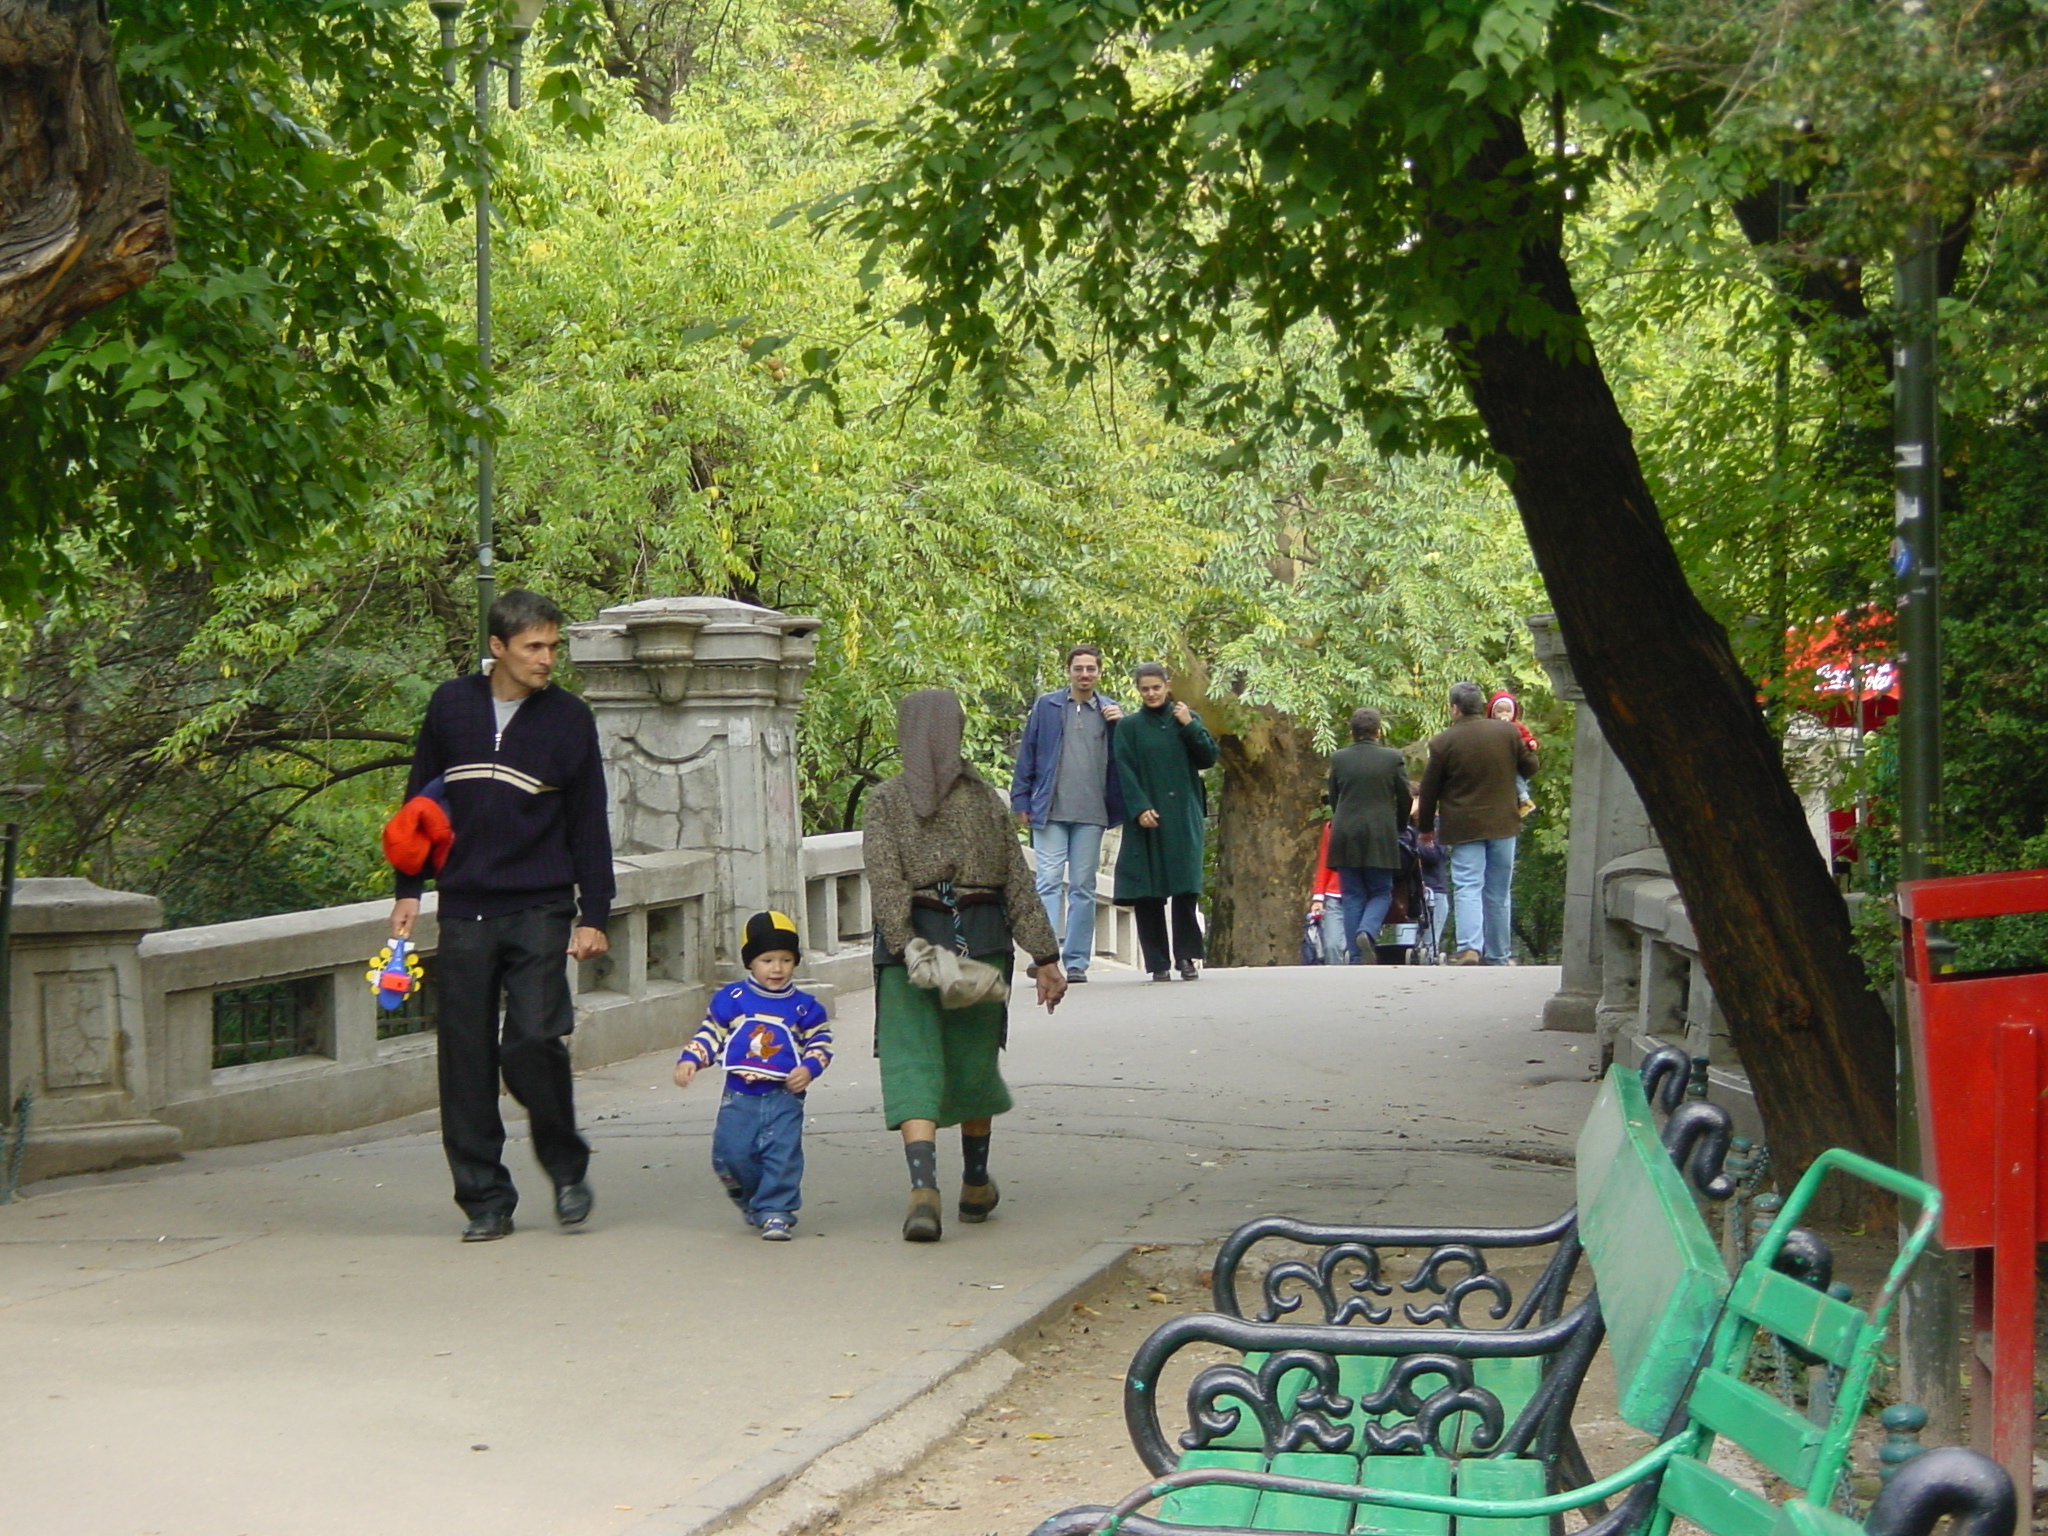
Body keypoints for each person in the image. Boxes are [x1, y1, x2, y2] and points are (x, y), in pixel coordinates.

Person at [387, 589, 613, 1243]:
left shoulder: (569, 719)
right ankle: (485, 1200)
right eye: (534, 647)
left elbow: (587, 823)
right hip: (463, 908)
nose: (547, 659)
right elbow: (419, 804)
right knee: (464, 1060)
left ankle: (567, 1169)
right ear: (498, 649)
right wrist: (409, 888)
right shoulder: (450, 707)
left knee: (534, 1041)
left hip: (540, 905)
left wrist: (593, 913)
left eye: (552, 646)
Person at [865, 690, 1066, 1243]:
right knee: (973, 1062)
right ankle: (975, 1184)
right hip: (979, 939)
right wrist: (1045, 957)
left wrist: (908, 946)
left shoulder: (884, 800)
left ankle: (923, 1190)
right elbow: (1018, 885)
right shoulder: (987, 803)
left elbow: (886, 883)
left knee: (913, 1062)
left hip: (910, 949)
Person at [673, 911, 832, 1242]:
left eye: (786, 959)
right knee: (731, 1156)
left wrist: (808, 1068)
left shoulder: (806, 1008)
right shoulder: (732, 1000)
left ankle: (776, 1211)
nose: (777, 968)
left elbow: (821, 1043)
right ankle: (750, 1199)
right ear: (750, 962)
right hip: (739, 1097)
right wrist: (691, 1059)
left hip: (784, 1097)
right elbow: (710, 1034)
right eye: (767, 959)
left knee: (782, 1155)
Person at [1010, 645, 1126, 983]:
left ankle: (1076, 962)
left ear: (1099, 672)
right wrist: (1021, 801)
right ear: (1068, 670)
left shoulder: (1109, 712)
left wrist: (1120, 726)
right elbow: (1028, 752)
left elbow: (1125, 761)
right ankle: (1045, 957)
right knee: (1047, 882)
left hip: (1092, 813)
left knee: (1083, 887)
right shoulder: (1048, 706)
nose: (1085, 674)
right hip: (1049, 809)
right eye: (1079, 668)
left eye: (1091, 668)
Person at [1416, 681, 1537, 966]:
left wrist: (1425, 828)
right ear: (1483, 707)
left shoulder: (1443, 742)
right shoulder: (1507, 732)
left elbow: (1429, 788)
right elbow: (1531, 766)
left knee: (1468, 885)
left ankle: (1470, 948)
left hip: (1463, 826)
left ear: (1454, 709)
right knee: (1498, 891)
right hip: (1504, 823)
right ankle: (1498, 955)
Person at [1112, 663, 1219, 981]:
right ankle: (1157, 962)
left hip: (1183, 816)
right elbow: (1124, 769)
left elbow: (1208, 758)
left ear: (1167, 686)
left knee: (1185, 888)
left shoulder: (1185, 718)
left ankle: (1186, 958)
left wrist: (1189, 725)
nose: (1151, 694)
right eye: (1145, 689)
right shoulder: (1129, 726)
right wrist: (1139, 807)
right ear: (1138, 690)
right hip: (1147, 818)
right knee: (1148, 891)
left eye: (1156, 687)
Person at [1325, 707, 1412, 966]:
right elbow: (1405, 796)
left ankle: (1355, 955)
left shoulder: (1339, 758)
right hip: (1380, 833)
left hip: (1345, 833)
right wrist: (1399, 825)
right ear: (1378, 731)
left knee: (1351, 894)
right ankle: (1367, 932)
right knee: (1381, 891)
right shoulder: (1392, 758)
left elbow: (1333, 796)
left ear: (1352, 732)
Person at [1490, 690, 1540, 819]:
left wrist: (1531, 743)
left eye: (1507, 711)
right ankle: (1523, 799)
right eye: (1499, 711)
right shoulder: (1490, 726)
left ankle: (1525, 799)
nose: (1504, 715)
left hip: (1513, 760)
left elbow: (1527, 736)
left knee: (1515, 776)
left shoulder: (1516, 726)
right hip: (1498, 761)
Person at [1308, 824, 1346, 965]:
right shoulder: (1332, 826)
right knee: (1332, 945)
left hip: (1364, 897)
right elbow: (1324, 861)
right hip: (1335, 895)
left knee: (1356, 945)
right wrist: (1318, 896)